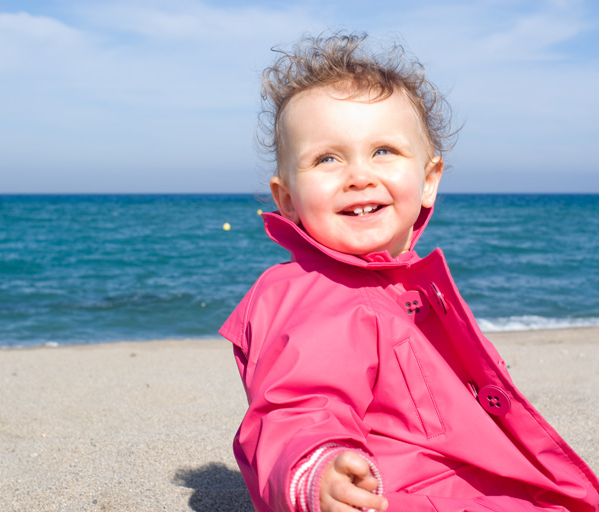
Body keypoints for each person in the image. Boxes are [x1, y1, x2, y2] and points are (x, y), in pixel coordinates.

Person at [219, 32, 599, 512]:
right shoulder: (313, 294)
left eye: (383, 151)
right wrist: (316, 473)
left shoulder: (401, 288)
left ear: (429, 179)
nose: (359, 174)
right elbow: (296, 406)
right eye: (326, 159)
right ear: (288, 199)